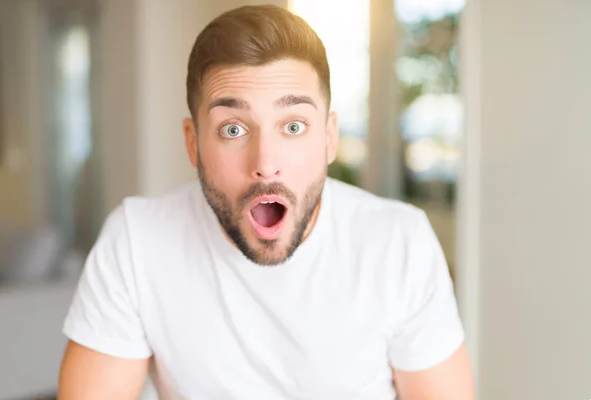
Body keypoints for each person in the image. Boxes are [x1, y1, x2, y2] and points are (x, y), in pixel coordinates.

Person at [58, 5, 474, 399]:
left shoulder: (399, 242)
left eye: (293, 125)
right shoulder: (137, 241)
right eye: (233, 130)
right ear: (193, 144)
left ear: (329, 138)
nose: (265, 164)